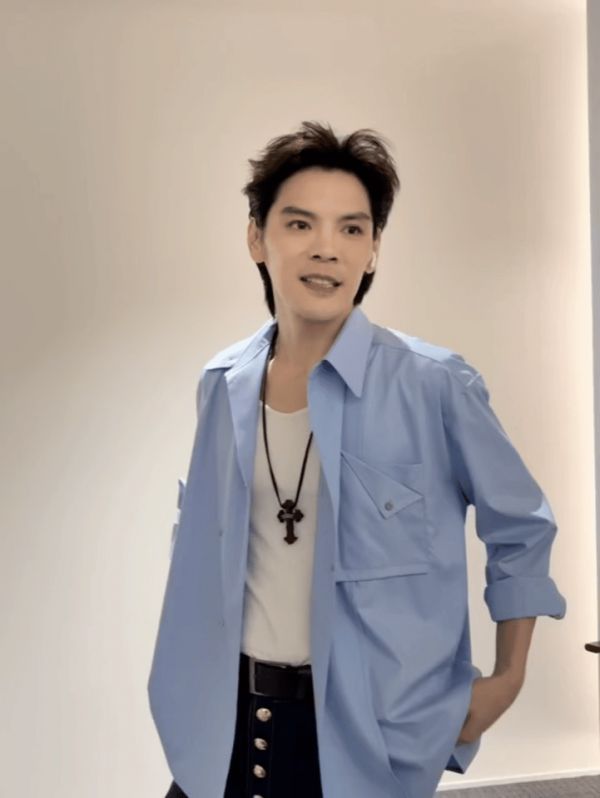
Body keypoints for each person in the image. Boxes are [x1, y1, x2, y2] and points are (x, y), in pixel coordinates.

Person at [148, 121, 567, 798]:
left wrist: (507, 679)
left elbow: (520, 525)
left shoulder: (434, 384)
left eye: (352, 228)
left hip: (364, 743)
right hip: (224, 731)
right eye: (300, 224)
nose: (327, 248)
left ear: (373, 252)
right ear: (256, 237)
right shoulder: (222, 384)